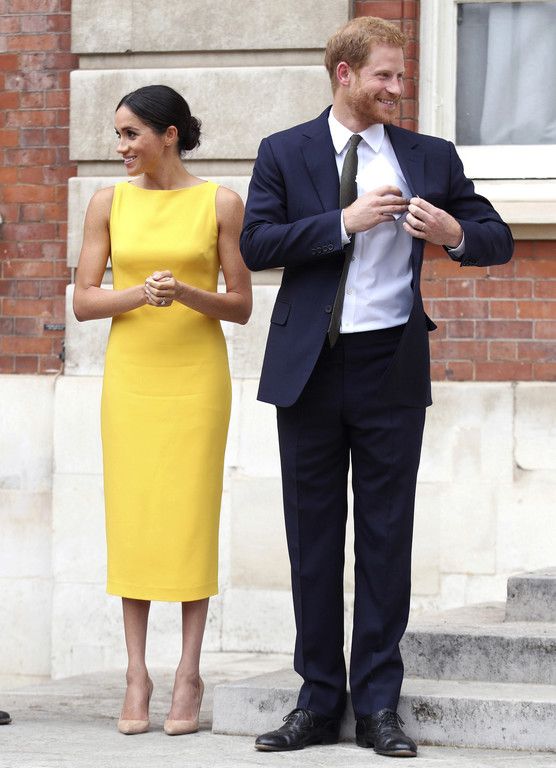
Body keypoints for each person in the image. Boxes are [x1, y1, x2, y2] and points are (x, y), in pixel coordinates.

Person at [240, 16, 513, 758]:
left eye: (402, 74)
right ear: (345, 74)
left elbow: (495, 237)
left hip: (391, 364)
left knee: (387, 540)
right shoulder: (285, 151)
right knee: (313, 542)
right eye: (385, 75)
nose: (398, 87)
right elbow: (257, 243)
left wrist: (452, 233)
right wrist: (343, 221)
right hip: (310, 368)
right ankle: (317, 702)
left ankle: (380, 707)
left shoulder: (429, 155)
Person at [74, 84, 252, 736]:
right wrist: (138, 295)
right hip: (132, 380)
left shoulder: (220, 203)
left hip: (196, 381)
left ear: (169, 134)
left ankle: (188, 673)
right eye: (118, 135)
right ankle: (135, 674)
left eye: (132, 134)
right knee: (136, 518)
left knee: (188, 520)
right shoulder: (107, 203)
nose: (121, 146)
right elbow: (83, 301)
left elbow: (241, 305)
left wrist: (186, 293)